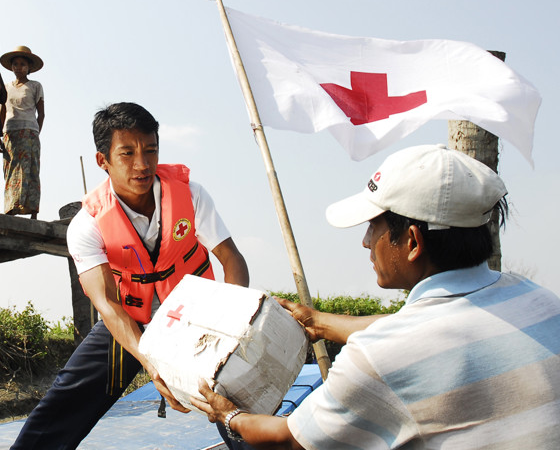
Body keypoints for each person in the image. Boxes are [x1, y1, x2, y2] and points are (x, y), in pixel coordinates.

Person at [190, 144, 560, 449]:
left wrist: (228, 414)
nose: (366, 241)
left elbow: (289, 440)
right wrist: (316, 321)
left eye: (374, 226)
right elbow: (421, 328)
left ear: (412, 242)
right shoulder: (541, 303)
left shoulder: (380, 356)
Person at [10, 102, 250, 449]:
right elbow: (106, 304)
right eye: (127, 153)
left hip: (195, 321)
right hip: (127, 320)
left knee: (236, 397)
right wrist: (153, 365)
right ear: (102, 161)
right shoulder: (86, 225)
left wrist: (230, 328)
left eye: (150, 151)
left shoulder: (190, 194)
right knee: (66, 399)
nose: (142, 164)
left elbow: (232, 259)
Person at [0, 45, 45, 219]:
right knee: (11, 170)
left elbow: (41, 113)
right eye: (16, 64)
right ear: (11, 67)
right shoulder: (5, 87)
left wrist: (36, 132)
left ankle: (33, 211)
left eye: (22, 64)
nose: (19, 67)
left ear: (28, 68)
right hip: (10, 132)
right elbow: (2, 111)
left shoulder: (35, 86)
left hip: (29, 132)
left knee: (30, 170)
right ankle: (11, 209)